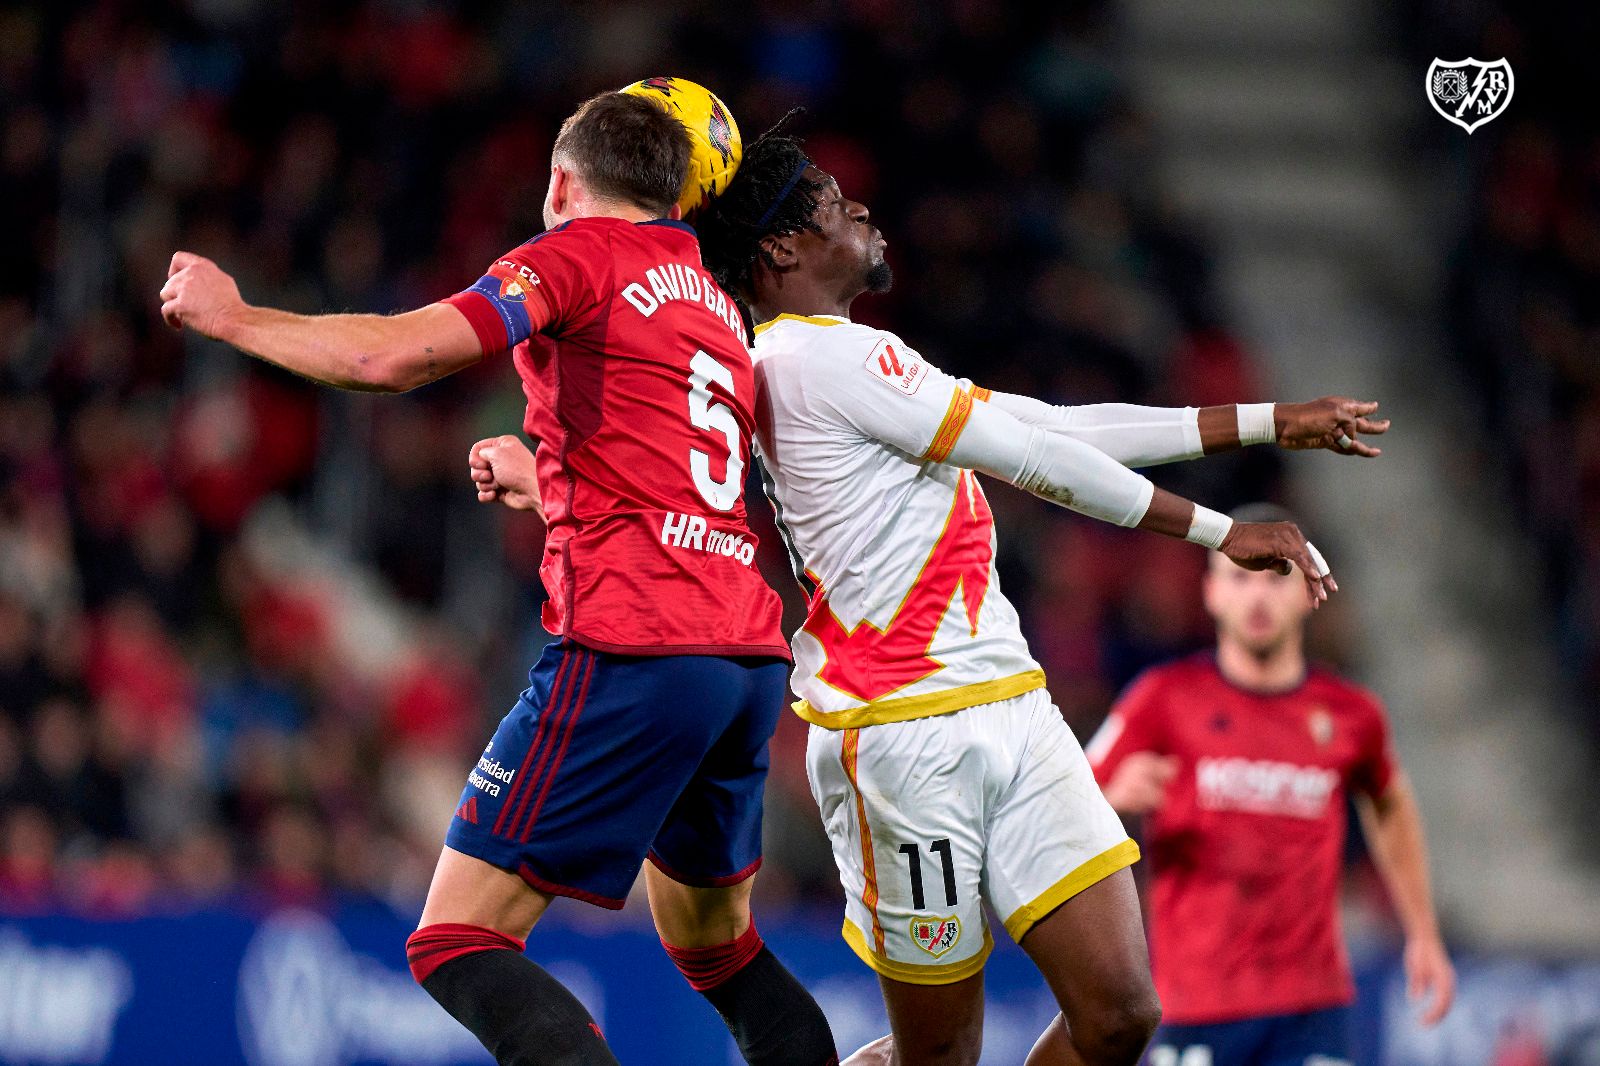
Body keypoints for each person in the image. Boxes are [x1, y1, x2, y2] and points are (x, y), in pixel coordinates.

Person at [474, 125, 1385, 1065]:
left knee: (1121, 1013)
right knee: (939, 1058)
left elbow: (1050, 427)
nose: (861, 211)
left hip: (1012, 706)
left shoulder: (846, 360)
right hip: (903, 736)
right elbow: (1034, 459)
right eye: (836, 205)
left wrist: (1270, 421)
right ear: (782, 250)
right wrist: (1219, 531)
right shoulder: (811, 361)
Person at [158, 90, 837, 1066]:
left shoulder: (574, 254)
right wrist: (554, 485)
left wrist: (233, 316)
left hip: (635, 648)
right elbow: (677, 480)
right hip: (743, 660)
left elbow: (388, 358)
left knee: (456, 938)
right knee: (719, 950)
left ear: (562, 184)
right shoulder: (714, 302)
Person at [1088, 502, 1455, 1066]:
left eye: (1276, 577)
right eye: (1240, 577)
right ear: (1212, 593)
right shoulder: (1161, 700)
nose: (1257, 597)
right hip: (1197, 1002)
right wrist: (1112, 803)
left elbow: (1389, 803)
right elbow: (1068, 801)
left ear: (1309, 590)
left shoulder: (1351, 714)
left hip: (1312, 1007)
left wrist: (1422, 933)